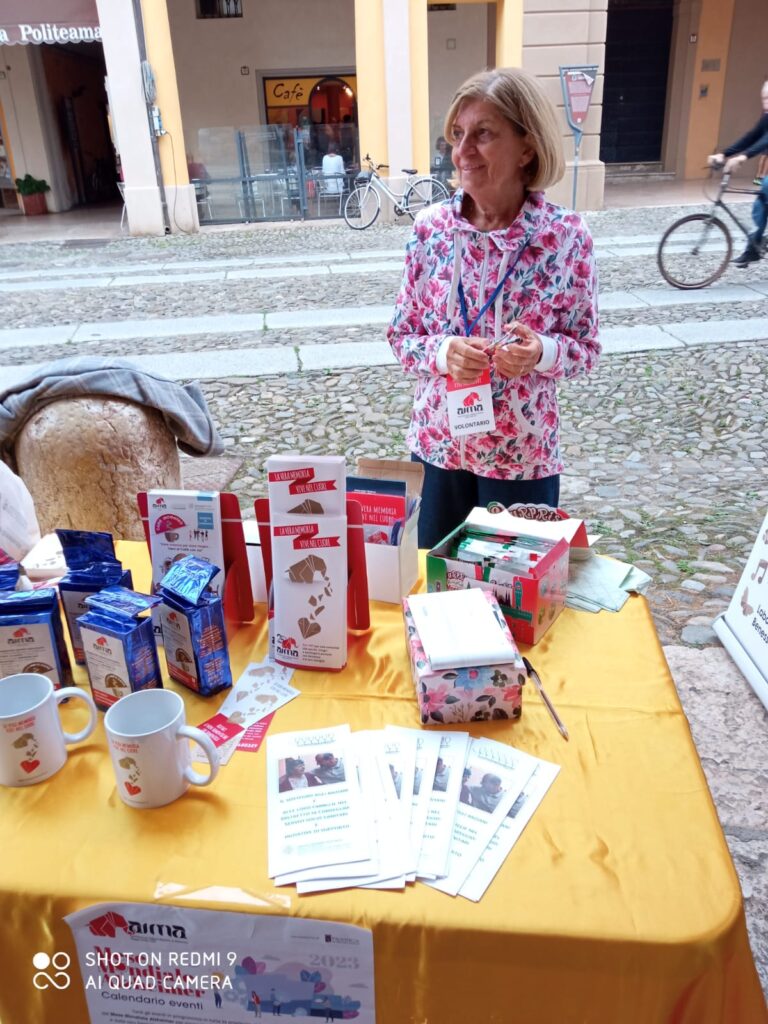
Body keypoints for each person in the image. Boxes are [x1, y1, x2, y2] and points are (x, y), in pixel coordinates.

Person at [387, 68, 600, 548]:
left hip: (521, 457)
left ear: (527, 147)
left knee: (513, 601)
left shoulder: (565, 237)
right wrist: (444, 354)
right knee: (438, 593)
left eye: (482, 134)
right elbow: (402, 336)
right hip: (439, 449)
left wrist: (541, 352)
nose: (462, 151)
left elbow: (586, 347)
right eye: (458, 135)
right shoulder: (430, 230)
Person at [708, 79, 768, 266]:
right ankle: (754, 248)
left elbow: (766, 140)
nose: (765, 103)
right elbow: (751, 137)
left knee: (765, 187)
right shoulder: (766, 117)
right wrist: (724, 154)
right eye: (763, 99)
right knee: (760, 203)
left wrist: (743, 158)